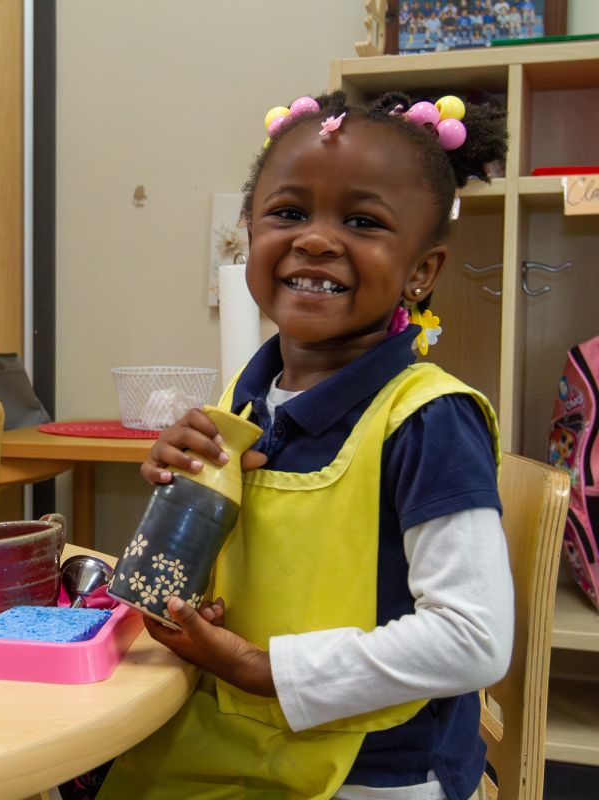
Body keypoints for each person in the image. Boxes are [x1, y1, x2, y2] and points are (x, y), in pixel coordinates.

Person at [95, 92, 512, 800]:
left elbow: (474, 639)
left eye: (361, 221)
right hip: (236, 738)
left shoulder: (427, 419)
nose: (316, 239)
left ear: (422, 271)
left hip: (376, 771)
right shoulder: (243, 400)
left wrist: (264, 668)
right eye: (288, 213)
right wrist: (185, 502)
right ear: (249, 234)